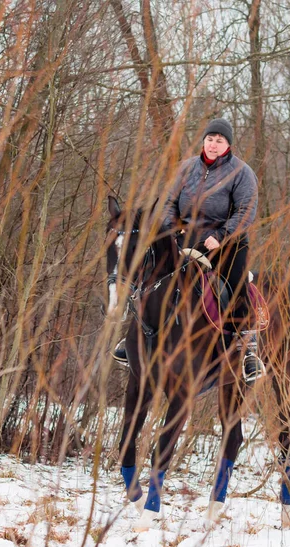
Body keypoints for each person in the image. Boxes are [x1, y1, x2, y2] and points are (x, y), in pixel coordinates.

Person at [113, 117, 265, 383]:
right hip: (185, 239)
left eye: (220, 140)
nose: (213, 144)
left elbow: (246, 211)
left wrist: (221, 236)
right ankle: (133, 334)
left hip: (227, 243)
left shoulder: (242, 173)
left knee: (236, 282)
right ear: (203, 140)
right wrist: (172, 228)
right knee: (151, 272)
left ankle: (246, 349)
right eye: (210, 139)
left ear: (228, 145)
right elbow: (170, 202)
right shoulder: (186, 168)